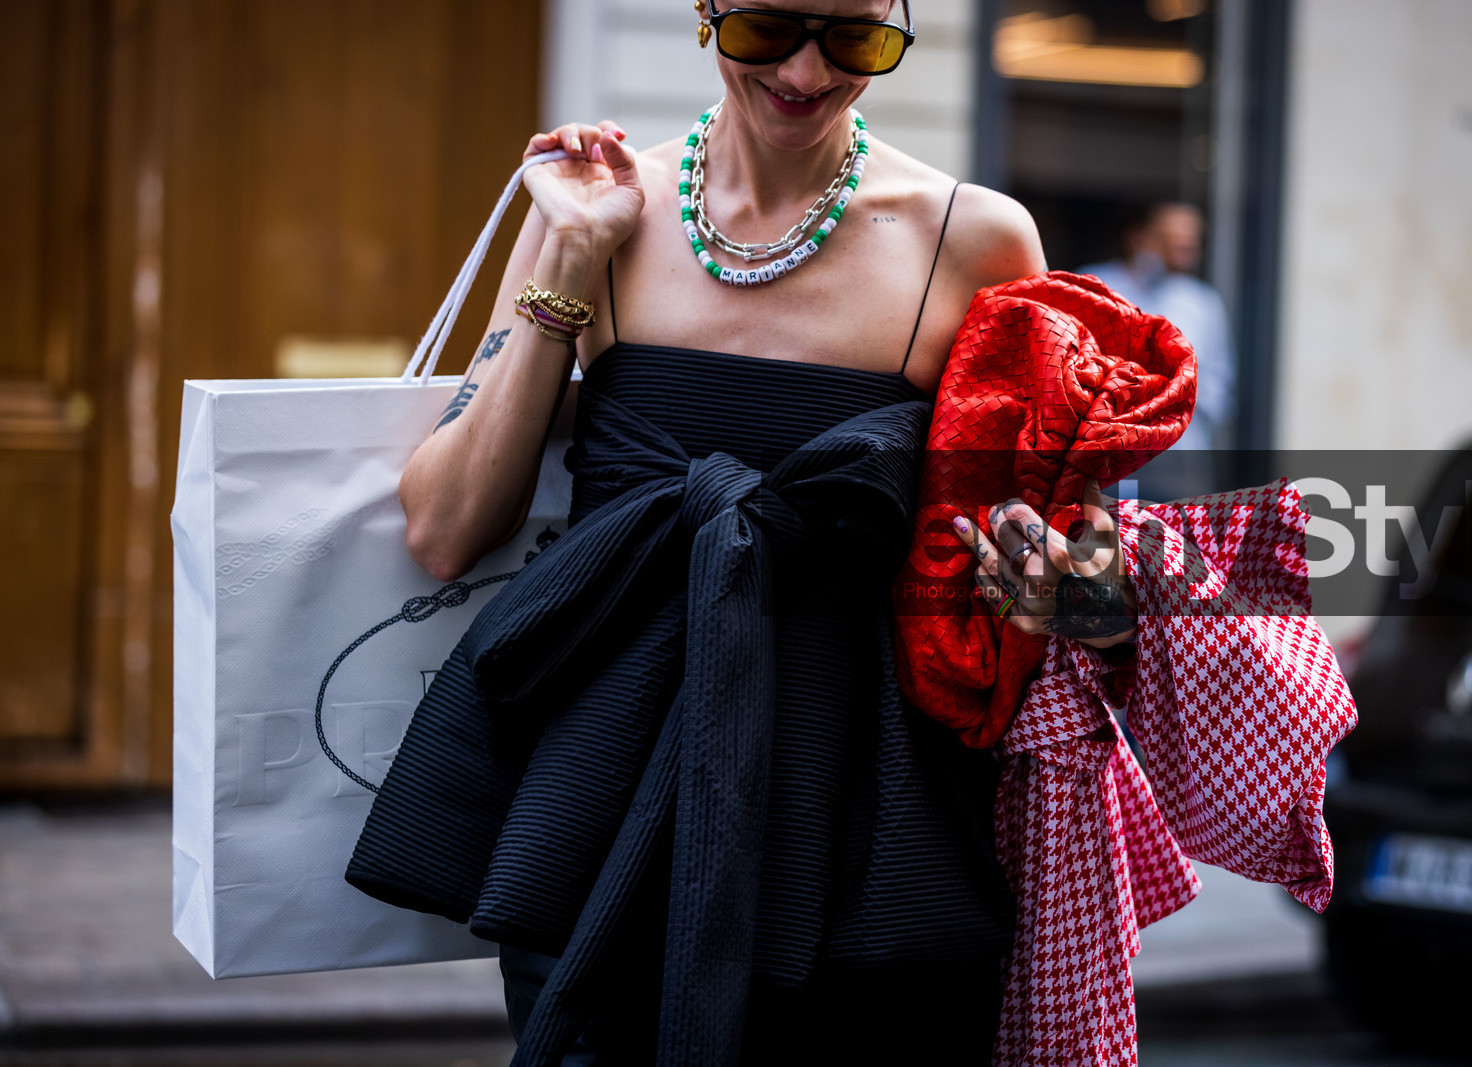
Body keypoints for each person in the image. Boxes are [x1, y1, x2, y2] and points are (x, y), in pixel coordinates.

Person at [340, 2, 1118, 1063]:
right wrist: (568, 261)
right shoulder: (599, 210)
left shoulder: (975, 238)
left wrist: (1074, 581)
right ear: (706, 14)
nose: (805, 69)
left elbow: (1053, 534)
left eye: (854, 39)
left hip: (868, 834)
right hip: (602, 820)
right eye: (766, 27)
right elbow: (444, 525)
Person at [1078, 202, 1235, 499]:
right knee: (1109, 535)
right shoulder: (1094, 286)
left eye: (1192, 241)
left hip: (1181, 451)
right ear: (1141, 238)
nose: (1186, 249)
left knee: (1181, 538)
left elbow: (1219, 383)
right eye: (1173, 239)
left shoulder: (1202, 302)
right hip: (1109, 448)